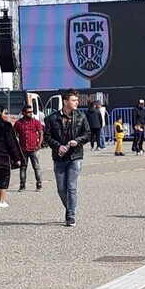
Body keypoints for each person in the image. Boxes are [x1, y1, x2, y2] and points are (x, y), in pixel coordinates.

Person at [43, 89, 91, 226]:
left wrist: (78, 141)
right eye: (74, 100)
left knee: (71, 186)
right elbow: (47, 136)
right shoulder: (52, 118)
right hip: (59, 157)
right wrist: (58, 146)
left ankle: (70, 215)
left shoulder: (81, 117)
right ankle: (70, 207)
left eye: (77, 100)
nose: (77, 103)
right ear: (65, 101)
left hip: (75, 156)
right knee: (61, 189)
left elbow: (87, 134)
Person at [14, 104, 44, 191]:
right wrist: (17, 145)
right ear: (23, 113)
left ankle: (39, 185)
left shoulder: (36, 122)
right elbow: (14, 134)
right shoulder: (18, 123)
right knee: (23, 167)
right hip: (23, 149)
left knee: (36, 167)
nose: (31, 114)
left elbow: (41, 133)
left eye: (32, 112)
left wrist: (39, 144)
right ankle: (22, 185)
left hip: (34, 148)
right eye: (28, 112)